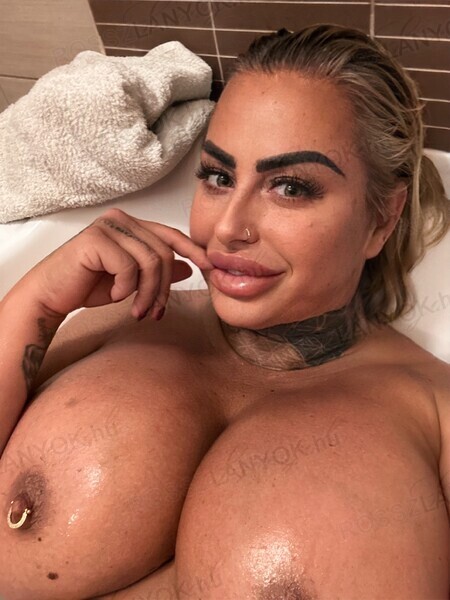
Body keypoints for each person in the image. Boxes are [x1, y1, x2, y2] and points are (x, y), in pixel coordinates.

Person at [0, 23, 449, 600]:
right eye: (218, 176)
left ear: (382, 218)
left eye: (290, 187)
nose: (229, 227)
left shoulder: (431, 416)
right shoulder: (118, 322)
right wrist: (33, 301)